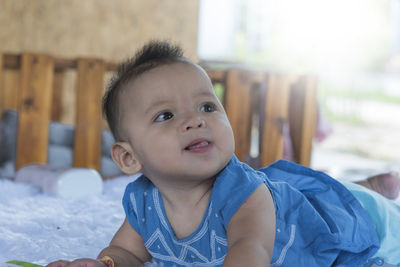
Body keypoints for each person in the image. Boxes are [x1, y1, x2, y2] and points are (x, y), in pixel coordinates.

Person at [47, 41, 400, 267]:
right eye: (166, 115)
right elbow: (127, 253)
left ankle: (370, 189)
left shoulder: (242, 195)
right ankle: (366, 183)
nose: (194, 121)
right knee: (318, 189)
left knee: (345, 203)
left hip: (339, 218)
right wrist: (102, 264)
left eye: (206, 106)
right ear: (129, 158)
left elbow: (250, 250)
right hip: (285, 195)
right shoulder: (143, 203)